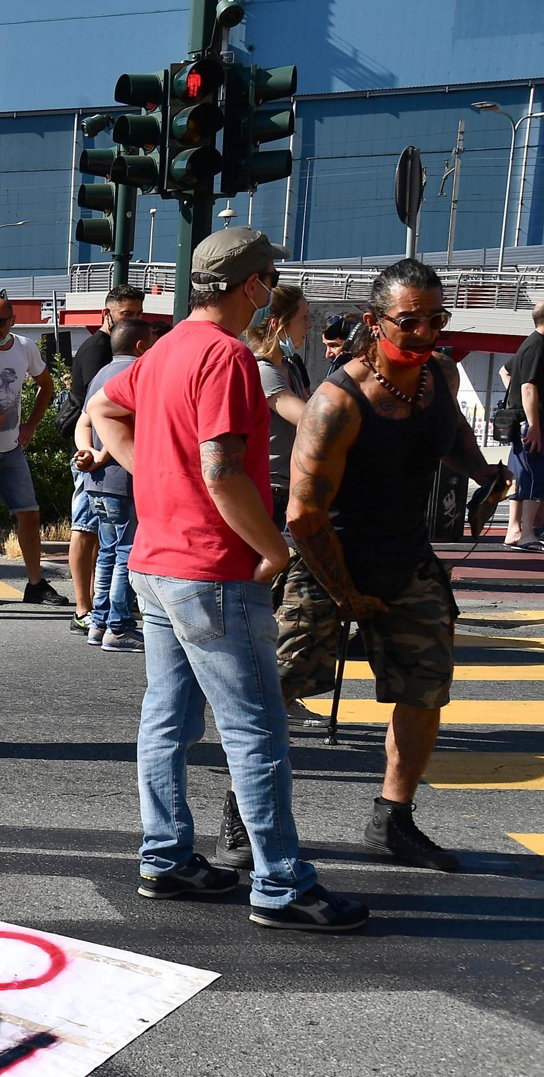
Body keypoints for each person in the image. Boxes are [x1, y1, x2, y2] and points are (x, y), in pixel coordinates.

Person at [89, 227, 366, 931]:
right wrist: (272, 549)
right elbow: (222, 470)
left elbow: (104, 409)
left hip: (154, 562)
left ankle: (166, 856)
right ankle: (279, 883)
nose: (271, 288)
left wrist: (153, 475)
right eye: (268, 276)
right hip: (210, 566)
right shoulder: (227, 357)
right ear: (252, 286)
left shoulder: (165, 349)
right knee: (256, 729)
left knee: (168, 718)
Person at [275, 259, 512, 873]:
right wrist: (345, 593)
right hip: (328, 563)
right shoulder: (338, 402)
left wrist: (486, 475)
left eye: (437, 319)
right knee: (278, 691)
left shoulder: (437, 378)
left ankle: (393, 821)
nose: (426, 333)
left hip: (407, 561)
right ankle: (246, 816)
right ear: (375, 322)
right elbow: (304, 517)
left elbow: (453, 439)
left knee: (425, 688)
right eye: (410, 322)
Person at [0, 298, 69, 611]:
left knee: (29, 514)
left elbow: (45, 385)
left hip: (11, 449)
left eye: (0, 322)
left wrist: (31, 425)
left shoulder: (25, 348)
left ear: (13, 321)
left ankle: (35, 584)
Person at [67, 285, 145, 634]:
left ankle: (99, 620)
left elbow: (85, 419)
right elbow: (126, 424)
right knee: (126, 550)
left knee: (109, 549)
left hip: (97, 480)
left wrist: (88, 453)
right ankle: (118, 625)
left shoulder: (101, 372)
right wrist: (101, 455)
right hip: (121, 476)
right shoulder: (136, 375)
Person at [246, 285, 312, 529]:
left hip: (287, 488)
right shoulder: (264, 371)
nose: (309, 326)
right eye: (303, 317)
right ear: (276, 324)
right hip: (270, 491)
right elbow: (309, 418)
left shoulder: (290, 367)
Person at [502, 301, 544, 551]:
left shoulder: (529, 345)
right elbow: (528, 386)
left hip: (525, 422)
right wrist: (533, 424)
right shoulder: (537, 346)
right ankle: (526, 532)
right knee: (532, 476)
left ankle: (515, 530)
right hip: (531, 423)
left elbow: (504, 371)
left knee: (522, 475)